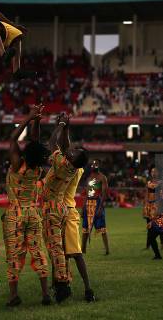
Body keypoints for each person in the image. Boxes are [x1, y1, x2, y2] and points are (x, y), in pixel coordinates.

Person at [2, 105, 51, 307]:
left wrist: (28, 117)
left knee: (14, 254)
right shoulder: (37, 166)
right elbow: (35, 143)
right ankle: (45, 294)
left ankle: (14, 296)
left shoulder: (17, 165)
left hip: (15, 214)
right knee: (37, 252)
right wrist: (37, 121)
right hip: (33, 213)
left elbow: (13, 139)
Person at [41, 113, 89, 303]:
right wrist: (67, 128)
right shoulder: (75, 166)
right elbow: (66, 147)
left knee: (61, 250)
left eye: (75, 151)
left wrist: (60, 124)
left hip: (56, 208)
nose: (72, 150)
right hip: (61, 207)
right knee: (59, 249)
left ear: (72, 158)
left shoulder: (62, 164)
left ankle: (63, 286)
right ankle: (61, 283)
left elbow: (52, 143)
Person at [62, 162, 96, 302]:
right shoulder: (71, 167)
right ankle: (63, 287)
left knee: (76, 253)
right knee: (60, 254)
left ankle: (88, 289)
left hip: (69, 211)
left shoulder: (75, 169)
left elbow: (93, 191)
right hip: (58, 212)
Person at [81, 159, 109, 255]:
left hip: (97, 203)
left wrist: (101, 208)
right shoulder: (88, 178)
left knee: (102, 228)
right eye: (93, 164)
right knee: (85, 228)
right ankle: (82, 249)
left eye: (96, 164)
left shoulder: (102, 178)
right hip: (88, 203)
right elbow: (86, 194)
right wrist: (83, 207)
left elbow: (105, 194)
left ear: (99, 166)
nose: (94, 166)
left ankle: (107, 250)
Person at [143, 166, 163, 250]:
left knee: (160, 225)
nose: (153, 173)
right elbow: (146, 194)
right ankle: (148, 245)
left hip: (158, 206)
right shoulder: (148, 182)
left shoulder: (161, 183)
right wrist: (145, 205)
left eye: (155, 171)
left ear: (158, 173)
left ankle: (162, 244)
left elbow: (162, 195)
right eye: (152, 171)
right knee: (149, 226)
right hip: (149, 206)